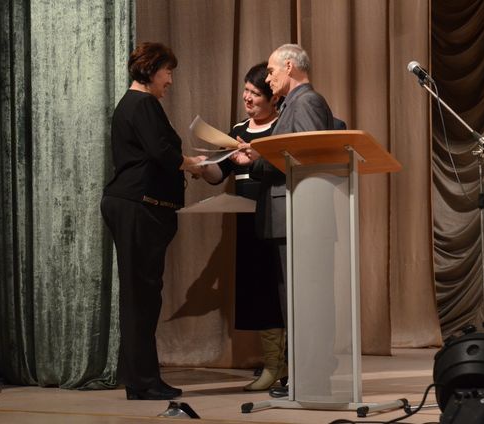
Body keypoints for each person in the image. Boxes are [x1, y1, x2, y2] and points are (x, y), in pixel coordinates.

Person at [100, 42, 205, 401]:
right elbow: (162, 152)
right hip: (138, 207)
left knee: (142, 295)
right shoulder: (143, 103)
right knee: (140, 297)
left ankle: (144, 379)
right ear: (150, 69)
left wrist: (186, 163)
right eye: (167, 72)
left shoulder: (133, 104)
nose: (170, 80)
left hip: (134, 207)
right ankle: (142, 381)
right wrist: (193, 163)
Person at [231, 44, 335, 398]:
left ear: (289, 67)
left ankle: (310, 379)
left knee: (304, 302)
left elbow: (304, 157)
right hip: (290, 216)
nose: (270, 78)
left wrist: (257, 161)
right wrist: (258, 156)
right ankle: (304, 378)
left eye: (273, 71)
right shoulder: (295, 103)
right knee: (295, 301)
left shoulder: (306, 102)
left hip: (298, 217)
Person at [200, 62, 286, 391]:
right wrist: (203, 166)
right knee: (258, 291)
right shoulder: (238, 129)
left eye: (255, 94)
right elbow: (218, 174)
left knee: (278, 290)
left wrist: (254, 159)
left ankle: (285, 363)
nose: (247, 98)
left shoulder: (283, 126)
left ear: (273, 98)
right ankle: (272, 363)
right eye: (246, 91)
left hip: (277, 220)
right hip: (247, 223)